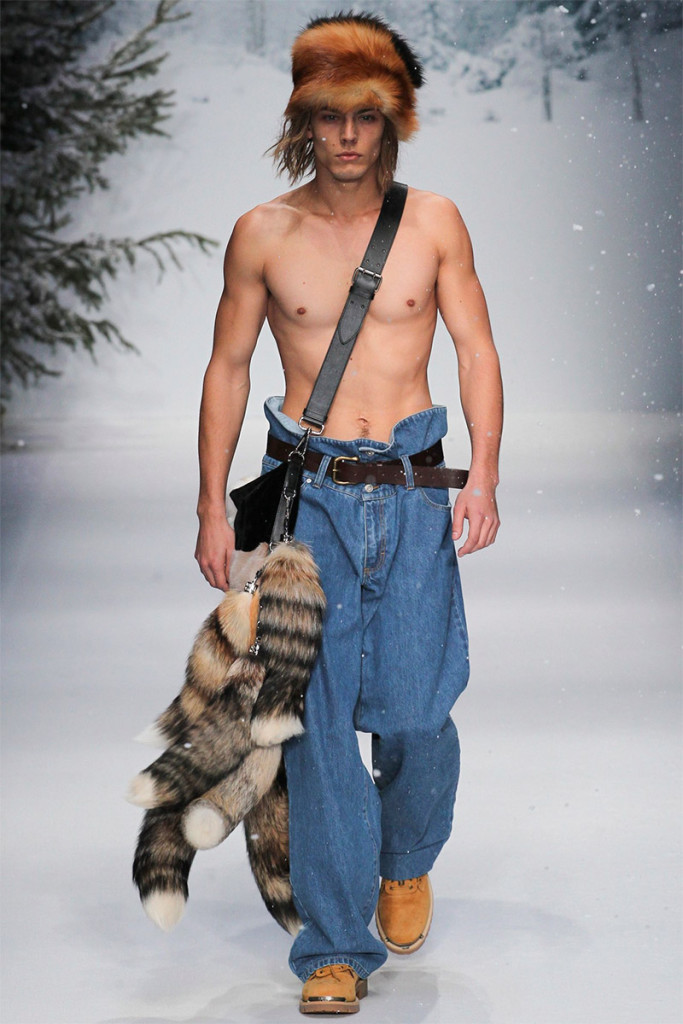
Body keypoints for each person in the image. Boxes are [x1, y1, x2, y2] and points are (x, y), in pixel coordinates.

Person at [194, 12, 502, 1016]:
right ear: (303, 121)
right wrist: (209, 505)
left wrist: (485, 474)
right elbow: (228, 367)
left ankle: (403, 855)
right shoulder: (262, 233)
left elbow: (475, 348)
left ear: (391, 121)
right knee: (316, 725)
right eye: (328, 116)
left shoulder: (434, 223)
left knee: (415, 707)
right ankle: (333, 945)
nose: (346, 136)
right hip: (309, 499)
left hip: (412, 492)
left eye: (365, 117)